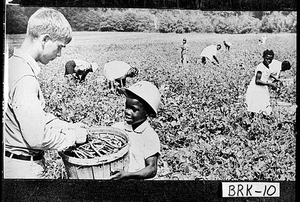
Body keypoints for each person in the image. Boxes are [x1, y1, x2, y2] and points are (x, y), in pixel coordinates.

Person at [4, 8, 88, 179]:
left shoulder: (14, 66)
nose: (59, 54)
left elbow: (35, 117)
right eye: (59, 47)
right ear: (45, 40)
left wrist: (68, 126)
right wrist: (74, 137)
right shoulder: (25, 78)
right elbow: (37, 138)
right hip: (24, 170)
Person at [109, 81, 161, 180]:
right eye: (126, 106)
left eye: (134, 109)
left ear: (147, 112)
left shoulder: (149, 136)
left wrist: (127, 175)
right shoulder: (117, 128)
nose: (127, 111)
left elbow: (152, 168)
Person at [245, 49, 278, 115]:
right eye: (267, 58)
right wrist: (270, 84)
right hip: (257, 88)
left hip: (262, 87)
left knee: (263, 103)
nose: (269, 60)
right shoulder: (260, 67)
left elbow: (266, 72)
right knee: (256, 104)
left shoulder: (267, 66)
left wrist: (274, 78)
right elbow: (257, 81)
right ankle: (254, 120)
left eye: (271, 59)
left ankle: (261, 119)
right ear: (263, 57)